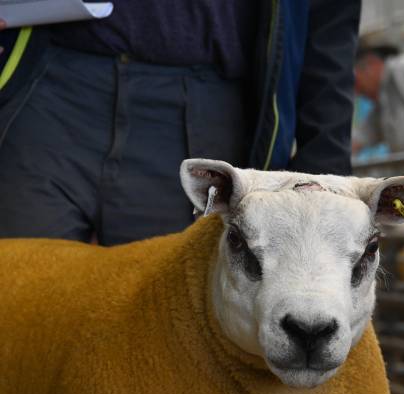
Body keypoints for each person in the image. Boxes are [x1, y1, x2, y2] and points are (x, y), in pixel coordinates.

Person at [0, 0, 361, 245]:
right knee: (17, 308)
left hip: (206, 107)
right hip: (45, 82)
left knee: (167, 330)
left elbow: (330, 21)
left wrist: (325, 172)